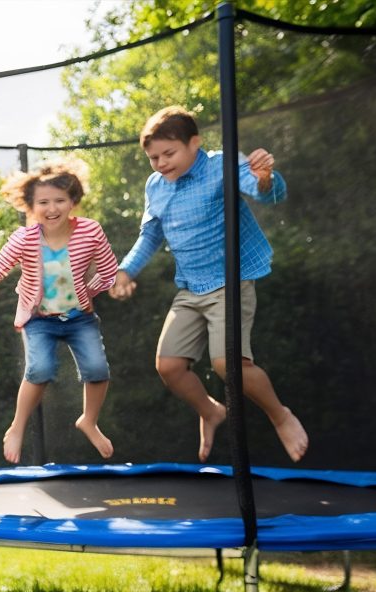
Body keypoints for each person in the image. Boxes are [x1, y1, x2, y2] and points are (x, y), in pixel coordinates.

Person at [108, 105, 308, 463]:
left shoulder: (221, 164)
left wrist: (264, 177)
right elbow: (150, 235)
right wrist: (125, 271)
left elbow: (270, 194)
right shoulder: (156, 186)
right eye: (153, 157)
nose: (161, 163)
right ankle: (211, 411)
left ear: (194, 143)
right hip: (190, 288)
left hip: (231, 282)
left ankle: (281, 416)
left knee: (227, 365)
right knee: (168, 366)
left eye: (169, 153)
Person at [0, 161, 118, 463]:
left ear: (73, 201)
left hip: (80, 317)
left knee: (97, 369)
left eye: (60, 200)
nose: (52, 209)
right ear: (31, 206)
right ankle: (17, 428)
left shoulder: (90, 231)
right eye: (44, 202)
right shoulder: (24, 239)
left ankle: (88, 420)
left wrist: (89, 292)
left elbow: (109, 271)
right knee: (39, 370)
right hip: (39, 320)